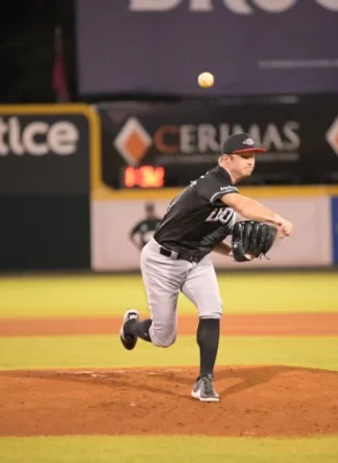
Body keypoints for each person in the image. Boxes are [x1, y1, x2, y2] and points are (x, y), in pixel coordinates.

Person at [118, 133, 294, 403]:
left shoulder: (226, 199)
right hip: (162, 262)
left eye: (253, 157)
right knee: (163, 338)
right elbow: (243, 205)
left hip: (197, 261)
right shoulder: (210, 184)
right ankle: (131, 326)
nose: (250, 161)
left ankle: (204, 381)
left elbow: (210, 238)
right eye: (244, 157)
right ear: (225, 159)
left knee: (212, 309)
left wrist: (233, 253)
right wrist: (276, 218)